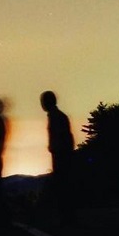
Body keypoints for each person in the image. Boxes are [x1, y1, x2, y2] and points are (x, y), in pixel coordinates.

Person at [40, 90, 76, 224]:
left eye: (43, 101)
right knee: (63, 185)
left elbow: (64, 136)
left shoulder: (57, 117)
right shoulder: (57, 116)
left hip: (61, 154)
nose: (42, 105)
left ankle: (67, 217)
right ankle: (66, 216)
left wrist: (60, 150)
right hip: (60, 154)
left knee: (63, 185)